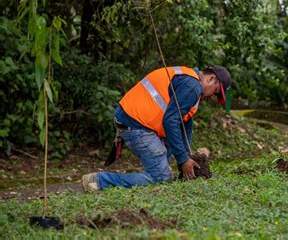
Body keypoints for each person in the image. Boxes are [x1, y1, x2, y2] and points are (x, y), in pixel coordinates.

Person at [82, 65, 231, 191]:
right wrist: (183, 160)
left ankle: (157, 169)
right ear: (210, 79)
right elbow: (171, 121)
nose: (213, 97)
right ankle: (100, 180)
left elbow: (185, 125)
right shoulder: (192, 86)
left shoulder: (191, 81)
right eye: (216, 92)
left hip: (140, 123)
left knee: (173, 148)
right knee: (162, 179)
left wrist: (187, 156)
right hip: (136, 125)